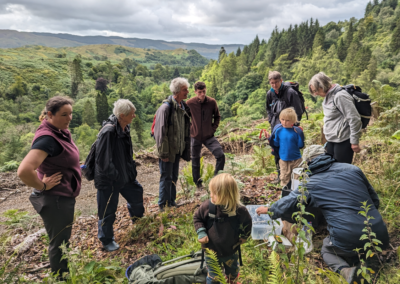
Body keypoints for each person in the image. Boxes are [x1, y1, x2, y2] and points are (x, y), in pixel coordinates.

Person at [256, 145, 389, 283]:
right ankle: (370, 257)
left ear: (307, 163)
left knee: (327, 249)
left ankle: (346, 271)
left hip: (347, 237)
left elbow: (289, 201)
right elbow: (374, 200)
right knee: (362, 242)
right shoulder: (353, 169)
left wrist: (270, 209)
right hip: (380, 232)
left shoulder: (311, 183)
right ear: (326, 156)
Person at [17, 96, 80, 278]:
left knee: (62, 240)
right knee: (59, 243)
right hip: (56, 200)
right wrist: (42, 185)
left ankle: (62, 274)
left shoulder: (58, 131)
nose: (69, 118)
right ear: (50, 115)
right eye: (64, 114)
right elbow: (24, 171)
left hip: (62, 196)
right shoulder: (48, 139)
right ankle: (60, 278)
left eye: (71, 113)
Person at [95, 99, 144, 252]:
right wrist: (116, 176)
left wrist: (130, 171)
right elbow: (103, 161)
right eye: (132, 114)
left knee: (137, 193)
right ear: (122, 115)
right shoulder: (108, 132)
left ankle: (138, 223)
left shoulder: (124, 128)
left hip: (125, 176)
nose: (134, 116)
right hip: (109, 180)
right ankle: (106, 240)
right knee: (107, 210)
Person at [194, 173, 252, 284]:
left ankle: (231, 280)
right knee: (213, 278)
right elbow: (197, 218)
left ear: (226, 195)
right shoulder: (207, 206)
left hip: (231, 251)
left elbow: (247, 223)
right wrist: (201, 232)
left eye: (214, 193)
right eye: (210, 192)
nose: (210, 196)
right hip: (211, 251)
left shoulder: (240, 211)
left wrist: (245, 236)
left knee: (233, 274)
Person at [154, 77, 191, 212]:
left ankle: (171, 202)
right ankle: (162, 205)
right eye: (184, 90)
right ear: (177, 92)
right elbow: (160, 133)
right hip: (167, 151)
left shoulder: (182, 107)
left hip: (177, 150)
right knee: (166, 177)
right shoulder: (165, 108)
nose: (187, 92)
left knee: (174, 176)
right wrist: (163, 153)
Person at [308, 72, 362, 164]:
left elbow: (354, 118)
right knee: (331, 170)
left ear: (322, 85)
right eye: (314, 91)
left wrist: (354, 141)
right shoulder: (328, 96)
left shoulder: (340, 96)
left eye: (316, 90)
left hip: (343, 140)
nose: (316, 93)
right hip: (332, 140)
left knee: (341, 172)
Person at [265, 71, 304, 183]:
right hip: (276, 126)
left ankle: (294, 176)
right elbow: (268, 108)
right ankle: (280, 175)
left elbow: (298, 110)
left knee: (290, 148)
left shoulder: (290, 92)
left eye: (276, 82)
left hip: (289, 127)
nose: (274, 85)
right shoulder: (270, 93)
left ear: (281, 81)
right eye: (271, 83)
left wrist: (294, 127)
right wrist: (271, 120)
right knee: (276, 149)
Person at [186, 81, 224, 190]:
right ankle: (198, 184)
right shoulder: (190, 103)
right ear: (195, 92)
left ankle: (216, 180)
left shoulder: (212, 102)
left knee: (220, 155)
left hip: (209, 136)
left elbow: (217, 116)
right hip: (195, 136)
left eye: (204, 91)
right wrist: (191, 129)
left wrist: (212, 129)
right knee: (195, 160)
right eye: (199, 92)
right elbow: (184, 118)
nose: (202, 94)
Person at [270, 108, 305, 188]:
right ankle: (285, 195)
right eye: (282, 120)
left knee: (297, 179)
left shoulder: (296, 131)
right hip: (284, 160)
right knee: (285, 179)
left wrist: (300, 135)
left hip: (297, 160)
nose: (284, 122)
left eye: (288, 120)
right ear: (280, 119)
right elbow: (276, 143)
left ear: (293, 121)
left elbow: (300, 145)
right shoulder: (278, 131)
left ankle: (296, 197)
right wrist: (269, 138)